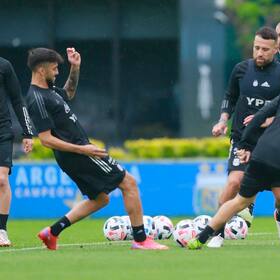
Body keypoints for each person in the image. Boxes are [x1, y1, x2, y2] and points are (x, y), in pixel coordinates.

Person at [25, 47, 168, 251]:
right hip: (78, 153)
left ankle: (52, 232)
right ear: (41, 70)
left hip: (77, 153)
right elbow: (46, 140)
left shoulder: (49, 91)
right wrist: (83, 150)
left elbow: (69, 93)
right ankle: (141, 239)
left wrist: (75, 67)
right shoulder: (36, 98)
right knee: (129, 183)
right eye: (55, 69)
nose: (57, 72)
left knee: (100, 199)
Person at [188, 71, 280, 250]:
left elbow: (257, 118)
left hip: (261, 153)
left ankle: (200, 238)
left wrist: (244, 146)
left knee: (240, 201)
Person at [210, 26, 280, 248]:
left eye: (265, 49)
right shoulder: (240, 70)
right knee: (233, 183)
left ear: (275, 50)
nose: (259, 53)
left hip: (272, 144)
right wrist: (222, 120)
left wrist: (269, 120)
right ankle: (217, 233)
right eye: (256, 48)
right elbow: (230, 97)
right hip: (242, 140)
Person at [0, 58, 33, 246]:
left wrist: (27, 132)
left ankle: (1, 230)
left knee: (2, 180)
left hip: (2, 131)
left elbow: (17, 99)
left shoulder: (4, 65)